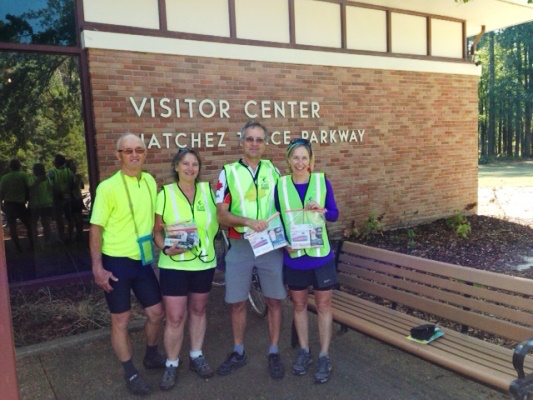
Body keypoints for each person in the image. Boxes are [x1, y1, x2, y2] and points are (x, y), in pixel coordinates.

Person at [89, 133, 165, 396]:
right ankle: (130, 372)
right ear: (118, 155)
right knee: (120, 319)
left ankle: (151, 356)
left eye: (139, 150)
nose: (134, 154)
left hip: (142, 261)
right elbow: (95, 229)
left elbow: (157, 223)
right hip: (116, 262)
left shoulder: (149, 181)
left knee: (156, 313)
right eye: (128, 150)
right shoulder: (107, 187)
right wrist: (98, 268)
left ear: (145, 154)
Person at [215, 120, 287, 380]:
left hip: (269, 245)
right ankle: (238, 351)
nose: (254, 144)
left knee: (274, 300)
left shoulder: (274, 171)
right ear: (241, 142)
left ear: (265, 144)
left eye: (259, 139)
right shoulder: (228, 172)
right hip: (241, 245)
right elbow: (221, 216)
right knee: (236, 303)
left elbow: (286, 204)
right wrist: (247, 222)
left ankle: (274, 350)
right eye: (249, 139)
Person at [153, 148, 219, 390]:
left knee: (199, 310)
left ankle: (196, 355)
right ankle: (171, 363)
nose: (190, 168)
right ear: (177, 167)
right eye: (185, 164)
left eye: (194, 164)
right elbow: (156, 230)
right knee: (175, 317)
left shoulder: (208, 192)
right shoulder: (165, 194)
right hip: (174, 266)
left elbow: (222, 215)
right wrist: (164, 248)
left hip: (204, 262)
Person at [275, 138, 339, 384]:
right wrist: (283, 243)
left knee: (323, 306)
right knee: (299, 306)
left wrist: (322, 210)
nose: (300, 162)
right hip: (294, 257)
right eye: (295, 157)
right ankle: (304, 350)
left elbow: (334, 214)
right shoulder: (280, 186)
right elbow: (276, 219)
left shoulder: (322, 182)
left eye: (304, 158)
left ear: (310, 161)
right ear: (288, 160)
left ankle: (324, 355)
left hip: (320, 256)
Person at [0, 158, 32, 252]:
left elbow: (1, 192)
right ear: (19, 166)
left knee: (12, 226)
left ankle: (18, 247)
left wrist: (1, 205)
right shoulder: (23, 175)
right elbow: (28, 188)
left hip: (9, 204)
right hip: (20, 204)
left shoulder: (4, 178)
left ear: (10, 167)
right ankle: (32, 245)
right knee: (28, 224)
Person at [48, 154, 74, 242]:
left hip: (57, 198)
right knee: (69, 218)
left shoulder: (52, 172)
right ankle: (71, 236)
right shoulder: (68, 171)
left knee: (59, 219)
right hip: (67, 197)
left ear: (56, 162)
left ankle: (62, 237)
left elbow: (49, 185)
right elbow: (72, 182)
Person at [28, 163, 53, 246]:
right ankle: (41, 242)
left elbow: (30, 189)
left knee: (41, 225)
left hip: (39, 205)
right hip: (42, 204)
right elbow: (51, 188)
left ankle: (44, 242)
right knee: (40, 225)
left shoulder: (33, 178)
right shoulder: (45, 178)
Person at [66, 159, 85, 241]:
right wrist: (78, 179)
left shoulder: (75, 175)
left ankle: (79, 234)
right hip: (73, 198)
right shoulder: (69, 176)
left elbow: (82, 186)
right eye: (72, 165)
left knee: (78, 218)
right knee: (74, 218)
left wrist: (80, 179)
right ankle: (74, 235)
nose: (75, 166)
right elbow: (72, 187)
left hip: (77, 198)